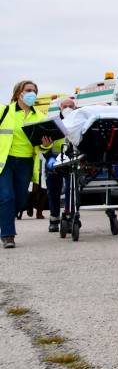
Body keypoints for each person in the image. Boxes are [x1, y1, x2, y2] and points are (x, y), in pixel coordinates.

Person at [0, 81, 53, 248]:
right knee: (7, 197)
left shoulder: (40, 116)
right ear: (18, 93)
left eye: (35, 91)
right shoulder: (5, 111)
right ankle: (8, 235)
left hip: (26, 162)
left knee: (21, 200)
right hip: (5, 161)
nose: (32, 94)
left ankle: (5, 219)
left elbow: (45, 147)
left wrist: (46, 143)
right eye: (29, 90)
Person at [44, 96, 76, 233]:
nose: (68, 108)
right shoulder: (53, 123)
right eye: (65, 106)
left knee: (71, 189)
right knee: (53, 190)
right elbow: (44, 143)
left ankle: (69, 217)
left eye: (71, 106)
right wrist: (49, 158)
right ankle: (54, 218)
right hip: (54, 160)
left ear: (75, 107)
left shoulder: (78, 121)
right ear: (60, 108)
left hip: (72, 160)